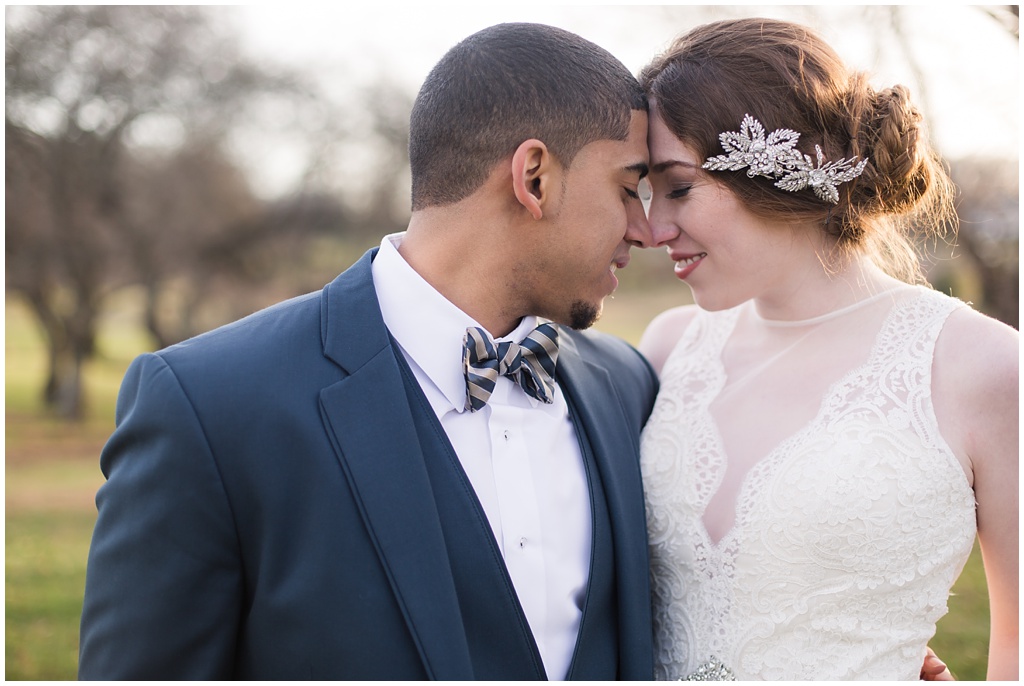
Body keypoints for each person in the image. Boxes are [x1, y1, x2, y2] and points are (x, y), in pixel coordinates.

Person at [78, 22, 664, 680]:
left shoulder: (626, 385)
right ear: (533, 177)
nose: (646, 228)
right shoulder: (210, 410)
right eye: (626, 188)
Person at [636, 17, 1018, 681]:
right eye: (644, 190)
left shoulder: (981, 367)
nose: (652, 227)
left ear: (779, 170)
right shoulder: (667, 351)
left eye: (678, 186)